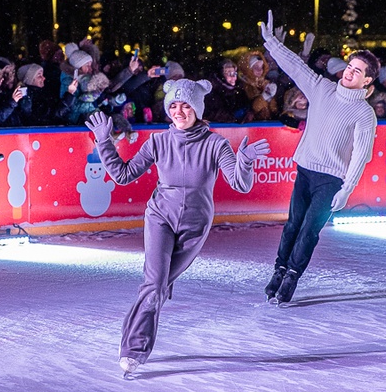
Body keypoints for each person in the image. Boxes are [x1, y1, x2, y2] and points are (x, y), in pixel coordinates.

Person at [85, 79, 270, 376]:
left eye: (186, 105)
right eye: (173, 105)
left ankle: (154, 297)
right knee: (154, 285)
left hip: (196, 227)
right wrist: (104, 141)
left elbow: (240, 183)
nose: (179, 111)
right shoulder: (158, 141)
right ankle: (134, 349)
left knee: (157, 285)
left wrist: (245, 162)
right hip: (160, 217)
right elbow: (122, 175)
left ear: (198, 109)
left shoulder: (215, 143)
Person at [259, 10, 379, 304]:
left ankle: (292, 277)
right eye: (350, 66)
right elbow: (296, 67)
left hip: (331, 180)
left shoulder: (365, 114)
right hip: (306, 170)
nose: (350, 72)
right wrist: (272, 45)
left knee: (309, 231)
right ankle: (279, 269)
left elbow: (360, 155)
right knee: (292, 225)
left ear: (367, 81)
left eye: (357, 71)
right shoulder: (323, 88)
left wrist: (346, 189)